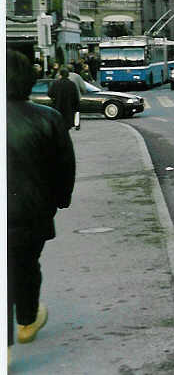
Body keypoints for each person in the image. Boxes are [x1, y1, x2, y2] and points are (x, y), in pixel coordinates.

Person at [6, 50, 76, 359]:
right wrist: (60, 199)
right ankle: (25, 322)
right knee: (24, 266)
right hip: (31, 214)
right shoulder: (47, 118)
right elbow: (64, 167)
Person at [48, 67, 80, 131]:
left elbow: (50, 93)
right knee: (67, 127)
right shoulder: (72, 84)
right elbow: (76, 97)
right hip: (69, 108)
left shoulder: (55, 83)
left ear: (60, 74)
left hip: (58, 107)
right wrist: (76, 108)